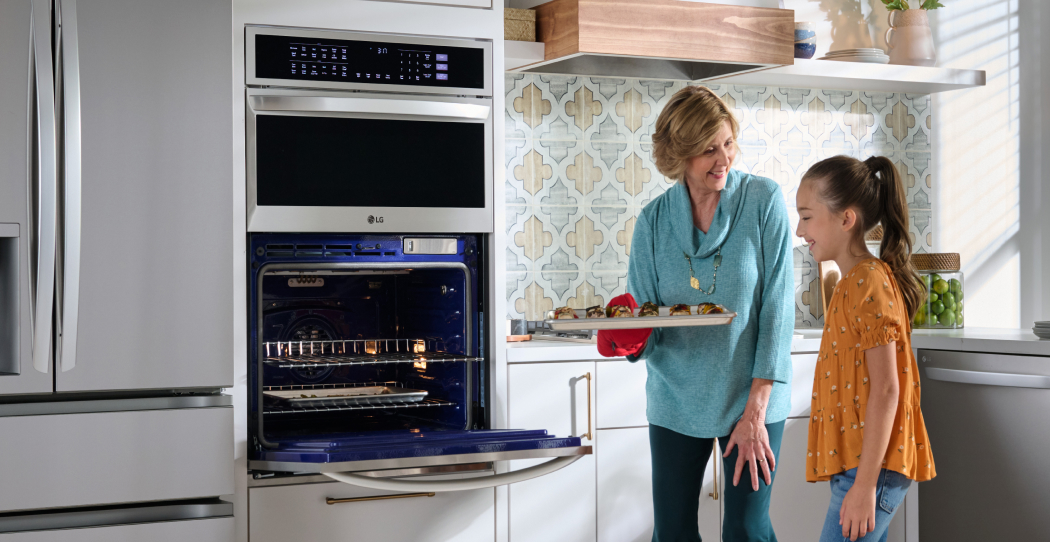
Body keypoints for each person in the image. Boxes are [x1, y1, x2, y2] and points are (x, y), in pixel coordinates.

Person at [597, 86, 794, 542]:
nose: (723, 158)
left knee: (746, 529)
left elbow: (777, 308)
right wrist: (623, 335)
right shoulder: (652, 222)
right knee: (672, 532)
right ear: (680, 155)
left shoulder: (763, 201)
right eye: (708, 149)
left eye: (727, 143)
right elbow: (646, 322)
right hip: (676, 398)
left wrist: (757, 410)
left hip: (752, 397)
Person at [794, 155, 936, 542]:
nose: (798, 229)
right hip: (862, 465)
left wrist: (864, 487)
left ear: (846, 218)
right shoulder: (851, 282)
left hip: (871, 469)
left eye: (806, 217)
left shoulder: (867, 282)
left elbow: (888, 389)